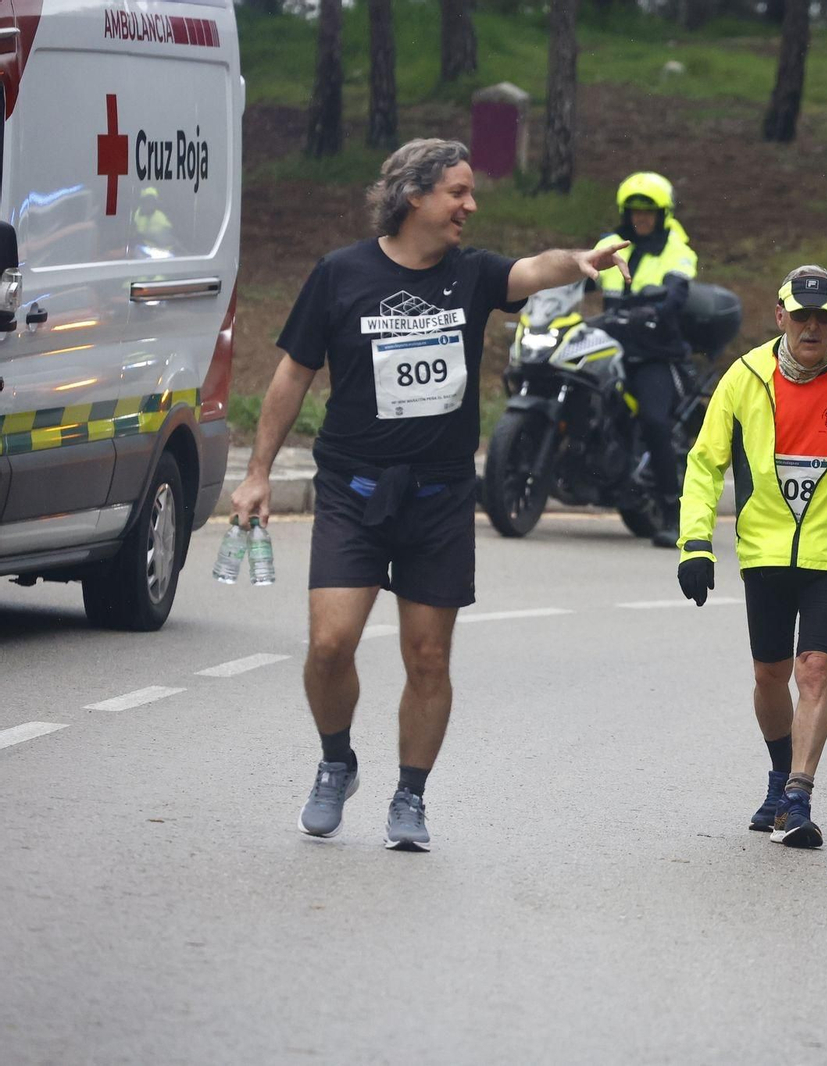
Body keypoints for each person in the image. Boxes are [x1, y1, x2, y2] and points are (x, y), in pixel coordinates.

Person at [230, 139, 629, 851]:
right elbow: (293, 375)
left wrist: (580, 261)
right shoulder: (341, 274)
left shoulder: (471, 276)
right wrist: (258, 472)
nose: (469, 206)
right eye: (458, 192)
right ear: (415, 196)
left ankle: (410, 797)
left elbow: (535, 268)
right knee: (329, 644)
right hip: (354, 488)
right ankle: (336, 761)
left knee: (428, 658)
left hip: (440, 496)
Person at [675, 265, 827, 848]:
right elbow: (705, 464)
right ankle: (779, 776)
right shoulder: (745, 377)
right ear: (779, 316)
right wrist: (695, 543)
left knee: (814, 669)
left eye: (823, 317)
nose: (811, 327)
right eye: (800, 315)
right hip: (766, 548)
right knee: (769, 674)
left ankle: (798, 797)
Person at [591, 171, 699, 549]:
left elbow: (676, 290)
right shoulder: (609, 244)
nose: (640, 218)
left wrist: (659, 305)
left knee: (654, 420)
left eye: (648, 212)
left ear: (662, 213)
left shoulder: (678, 250)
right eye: (634, 211)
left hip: (654, 352)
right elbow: (580, 274)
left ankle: (672, 512)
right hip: (610, 344)